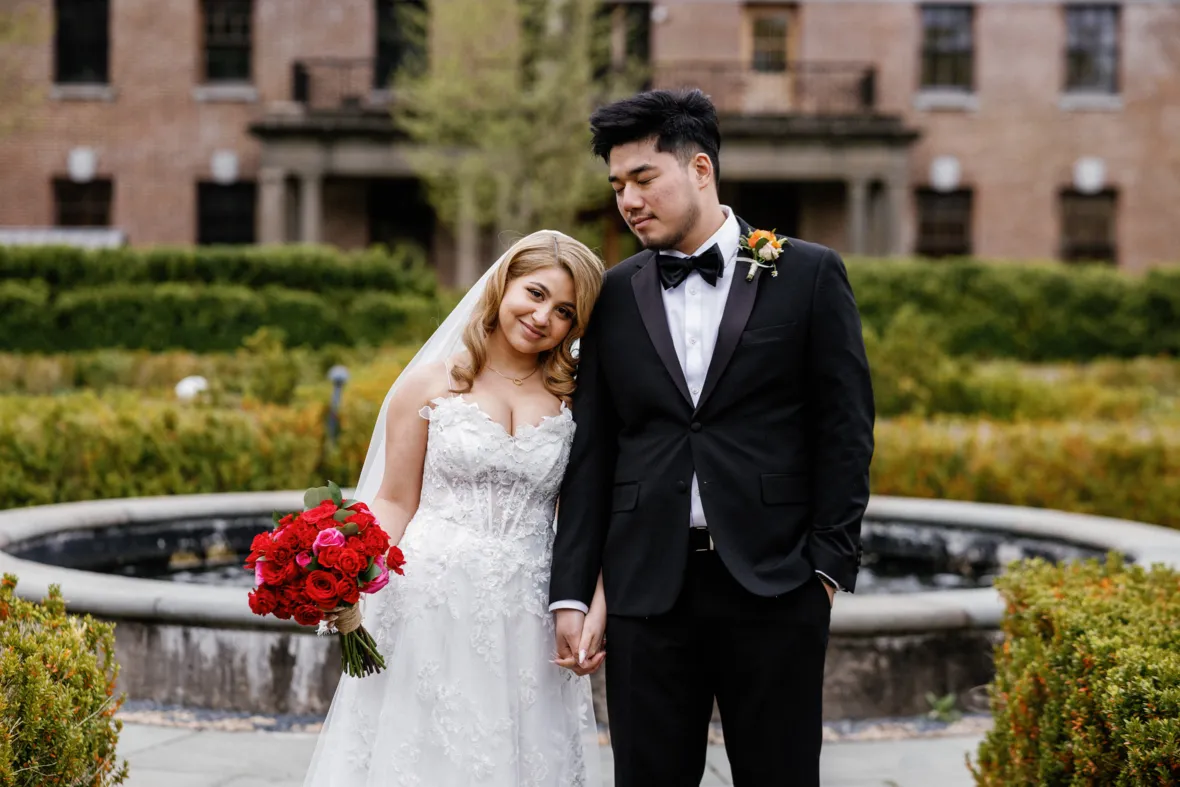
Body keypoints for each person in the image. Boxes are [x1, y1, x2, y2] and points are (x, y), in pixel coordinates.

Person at [550, 89, 876, 787]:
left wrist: (824, 569)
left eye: (643, 179)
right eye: (616, 187)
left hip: (777, 585)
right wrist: (573, 592)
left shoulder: (811, 274)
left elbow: (845, 430)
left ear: (700, 169)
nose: (628, 201)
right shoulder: (611, 294)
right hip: (646, 591)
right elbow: (593, 449)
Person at [304, 230, 607, 786]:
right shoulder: (426, 384)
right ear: (502, 284)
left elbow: (587, 516)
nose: (543, 317)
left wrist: (592, 601)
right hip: (429, 601)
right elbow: (395, 499)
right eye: (534, 293)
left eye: (565, 310)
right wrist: (348, 571)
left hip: (529, 610)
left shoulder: (575, 397)